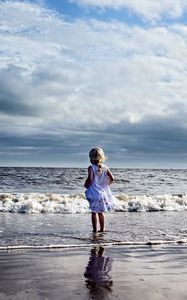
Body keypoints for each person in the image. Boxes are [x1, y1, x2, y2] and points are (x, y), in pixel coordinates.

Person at [84, 147, 115, 233]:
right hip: (103, 194)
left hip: (94, 193)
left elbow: (90, 179)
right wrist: (106, 185)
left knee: (94, 212)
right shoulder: (105, 167)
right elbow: (112, 178)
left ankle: (95, 230)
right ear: (102, 157)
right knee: (101, 212)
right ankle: (102, 229)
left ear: (91, 158)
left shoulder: (91, 168)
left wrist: (86, 185)